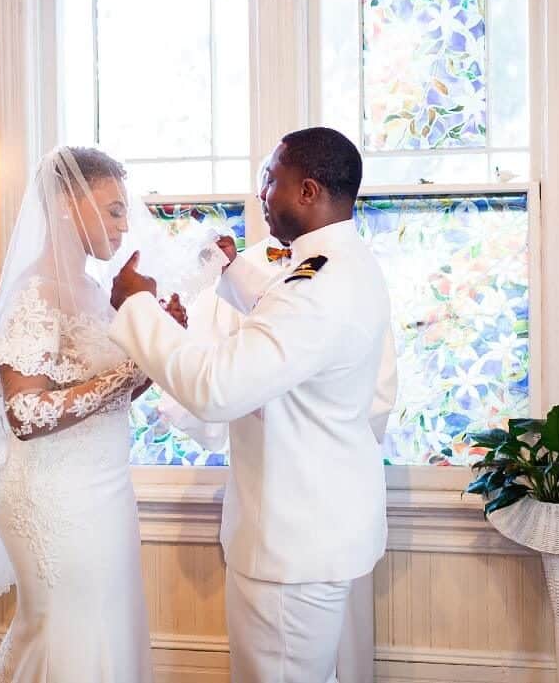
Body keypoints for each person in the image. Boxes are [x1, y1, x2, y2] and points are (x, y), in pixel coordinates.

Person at [109, 126, 393, 683]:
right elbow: (284, 321)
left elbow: (219, 388)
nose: (261, 192)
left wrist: (137, 308)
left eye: (270, 179)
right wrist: (233, 269)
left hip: (292, 544)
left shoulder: (318, 285)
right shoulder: (338, 264)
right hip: (318, 529)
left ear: (307, 191)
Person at [0, 146, 207, 683]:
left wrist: (155, 351)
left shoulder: (96, 292)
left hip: (105, 490)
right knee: (66, 635)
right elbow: (25, 412)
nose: (125, 224)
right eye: (114, 209)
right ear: (68, 204)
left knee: (105, 632)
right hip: (54, 496)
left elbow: (104, 399)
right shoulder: (34, 291)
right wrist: (131, 367)